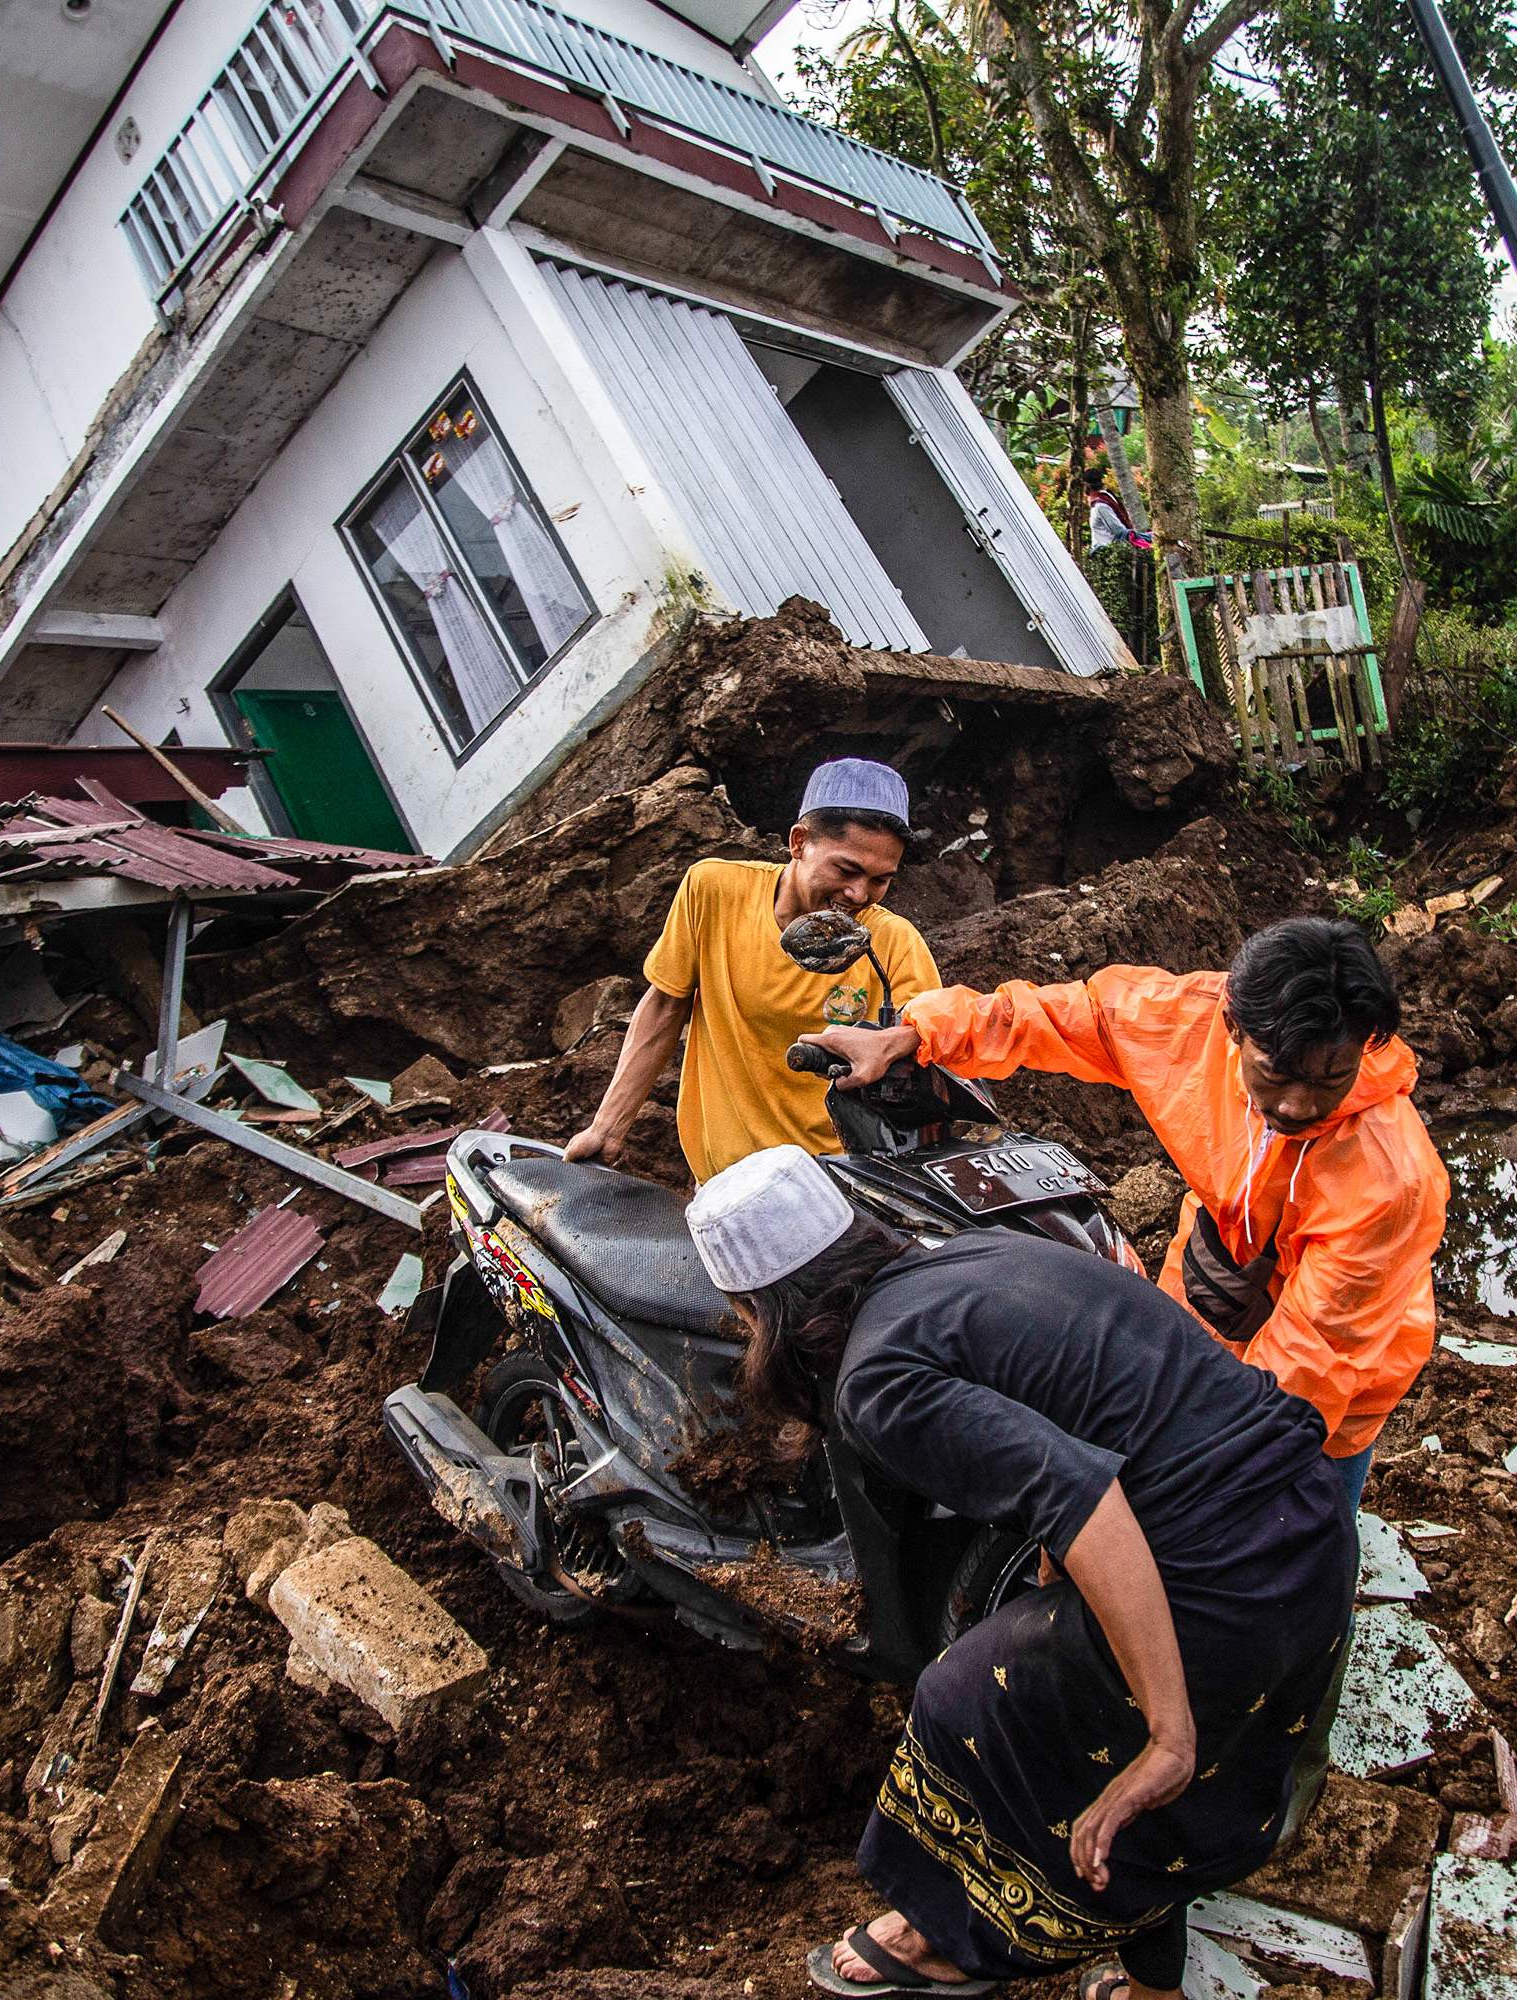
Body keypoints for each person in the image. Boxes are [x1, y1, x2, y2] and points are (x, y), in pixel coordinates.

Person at [685, 1147, 1355, 2000]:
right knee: (1087, 1716)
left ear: (761, 1313)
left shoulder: (876, 1381)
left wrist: (1168, 1735)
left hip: (1222, 1579)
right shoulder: (968, 1254)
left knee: (960, 1699)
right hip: (1308, 1526)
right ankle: (1156, 1988)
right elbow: (1076, 1453)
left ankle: (940, 1934)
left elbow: (1086, 1501)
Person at [801, 917, 1445, 1495]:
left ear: (1365, 1048)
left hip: (1336, 1374)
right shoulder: (1188, 1022)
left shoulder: (1390, 1182)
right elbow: (1070, 1014)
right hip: (1212, 1282)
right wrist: (915, 1035)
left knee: (1297, 1515)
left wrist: (1207, 1468)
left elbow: (1312, 1362)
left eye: (1330, 1080)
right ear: (1233, 1028)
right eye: (1275, 1076)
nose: (1299, 1105)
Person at [565, 758, 939, 1183]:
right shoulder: (713, 892)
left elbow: (929, 1043)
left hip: (834, 1184)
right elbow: (665, 1007)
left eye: (881, 880)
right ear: (799, 842)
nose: (859, 894)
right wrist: (607, 1128)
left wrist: (896, 1042)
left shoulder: (892, 942)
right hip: (723, 1181)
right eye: (846, 869)